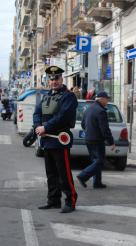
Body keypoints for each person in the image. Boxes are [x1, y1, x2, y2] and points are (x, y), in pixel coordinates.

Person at [33, 65, 78, 213]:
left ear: (61, 78)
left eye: (57, 78)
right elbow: (37, 113)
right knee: (51, 174)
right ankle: (53, 201)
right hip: (47, 140)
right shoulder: (47, 96)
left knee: (64, 173)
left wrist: (45, 128)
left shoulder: (68, 96)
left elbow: (62, 116)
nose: (54, 81)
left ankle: (70, 201)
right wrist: (38, 126)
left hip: (60, 140)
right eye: (51, 79)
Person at [77, 91, 116, 189]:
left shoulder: (89, 109)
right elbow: (105, 129)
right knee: (100, 161)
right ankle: (83, 176)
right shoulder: (101, 111)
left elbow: (82, 124)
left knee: (95, 161)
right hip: (97, 140)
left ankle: (97, 183)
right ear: (101, 99)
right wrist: (111, 142)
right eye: (107, 99)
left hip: (88, 139)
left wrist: (89, 131)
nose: (107, 101)